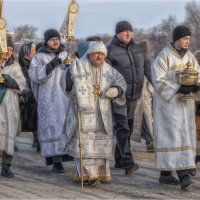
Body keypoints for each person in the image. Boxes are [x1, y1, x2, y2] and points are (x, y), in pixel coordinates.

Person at [59, 41, 127, 186]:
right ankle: (87, 176)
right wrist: (71, 80)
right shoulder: (79, 66)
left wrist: (115, 90)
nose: (99, 56)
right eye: (97, 53)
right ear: (89, 54)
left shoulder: (109, 70)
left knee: (100, 144)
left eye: (102, 54)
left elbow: (121, 82)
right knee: (86, 145)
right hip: (84, 113)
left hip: (103, 114)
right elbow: (64, 83)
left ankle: (102, 174)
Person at [151, 25, 200, 190]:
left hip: (186, 105)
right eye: (185, 39)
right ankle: (183, 174)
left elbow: (197, 75)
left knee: (184, 135)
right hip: (169, 106)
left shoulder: (190, 57)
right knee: (174, 137)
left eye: (189, 39)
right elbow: (157, 79)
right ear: (177, 39)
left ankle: (165, 173)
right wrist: (178, 88)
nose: (188, 42)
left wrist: (196, 86)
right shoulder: (164, 56)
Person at [106, 20, 151, 174]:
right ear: (117, 33)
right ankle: (128, 162)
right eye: (124, 31)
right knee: (122, 128)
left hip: (135, 95)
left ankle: (119, 158)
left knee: (128, 128)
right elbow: (106, 75)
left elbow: (147, 68)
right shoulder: (109, 50)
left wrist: (157, 85)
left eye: (130, 31)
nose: (128, 33)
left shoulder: (139, 49)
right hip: (118, 96)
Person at [29, 29, 73, 173]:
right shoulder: (39, 57)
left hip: (64, 99)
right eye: (52, 39)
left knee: (64, 128)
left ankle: (65, 158)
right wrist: (51, 65)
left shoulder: (66, 55)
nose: (56, 41)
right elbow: (34, 75)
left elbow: (75, 75)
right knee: (52, 129)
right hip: (48, 99)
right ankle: (56, 162)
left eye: (58, 39)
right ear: (46, 41)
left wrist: (70, 68)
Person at [0, 36, 28, 178]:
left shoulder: (15, 66)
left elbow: (24, 85)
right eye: (6, 48)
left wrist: (13, 83)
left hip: (10, 105)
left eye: (11, 49)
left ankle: (6, 165)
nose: (8, 51)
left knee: (8, 136)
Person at [18, 42, 40, 152]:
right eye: (33, 51)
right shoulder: (19, 65)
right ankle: (10, 141)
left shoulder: (34, 64)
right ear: (26, 52)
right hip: (22, 96)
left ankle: (37, 139)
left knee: (36, 117)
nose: (35, 53)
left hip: (33, 96)